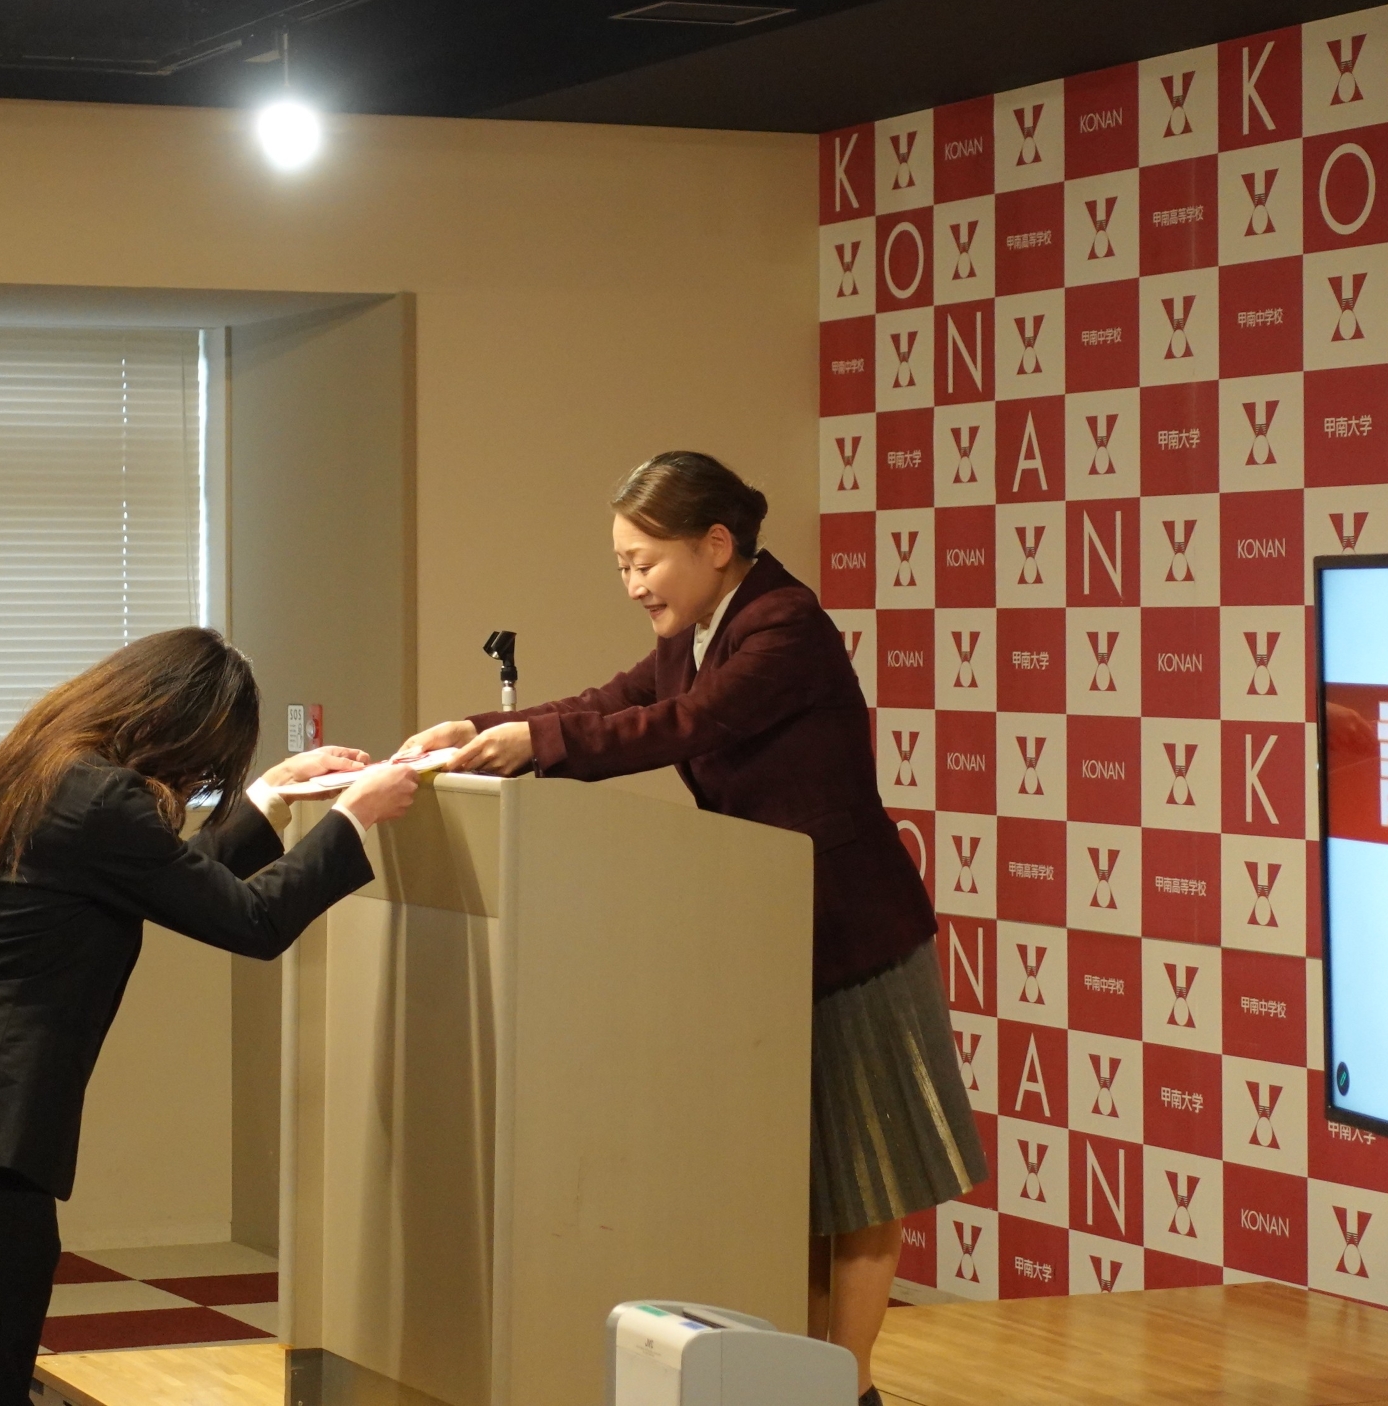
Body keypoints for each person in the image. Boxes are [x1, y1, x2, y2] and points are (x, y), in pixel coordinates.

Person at [397, 451, 984, 1405]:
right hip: (773, 934)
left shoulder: (783, 623)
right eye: (621, 566)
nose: (632, 584)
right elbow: (610, 702)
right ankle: (809, 1376)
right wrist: (474, 731)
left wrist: (535, 744)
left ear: (715, 544)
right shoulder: (700, 629)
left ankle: (851, 1386)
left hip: (855, 935)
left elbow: (682, 726)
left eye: (644, 562)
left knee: (867, 1179)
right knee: (806, 1179)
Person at [0, 626, 419, 1406]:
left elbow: (175, 881)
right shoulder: (100, 797)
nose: (197, 777)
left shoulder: (35, 769)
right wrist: (354, 818)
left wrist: (274, 793)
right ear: (169, 723)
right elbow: (251, 922)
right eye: (204, 761)